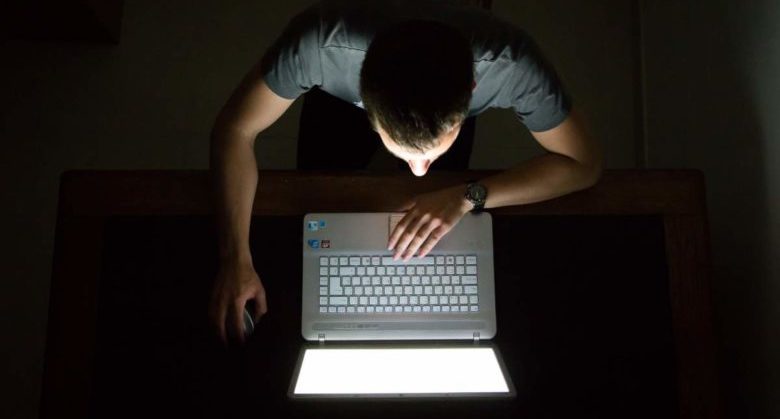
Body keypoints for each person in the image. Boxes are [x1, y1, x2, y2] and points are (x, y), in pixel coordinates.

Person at [208, 0, 603, 342]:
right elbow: (236, 129)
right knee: (321, 193)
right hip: (343, 77)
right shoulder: (319, 45)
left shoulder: (510, 62)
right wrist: (235, 259)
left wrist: (470, 195)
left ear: (472, 89)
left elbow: (584, 165)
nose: (418, 172)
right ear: (364, 97)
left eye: (430, 154)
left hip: (453, 63)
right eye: (405, 151)